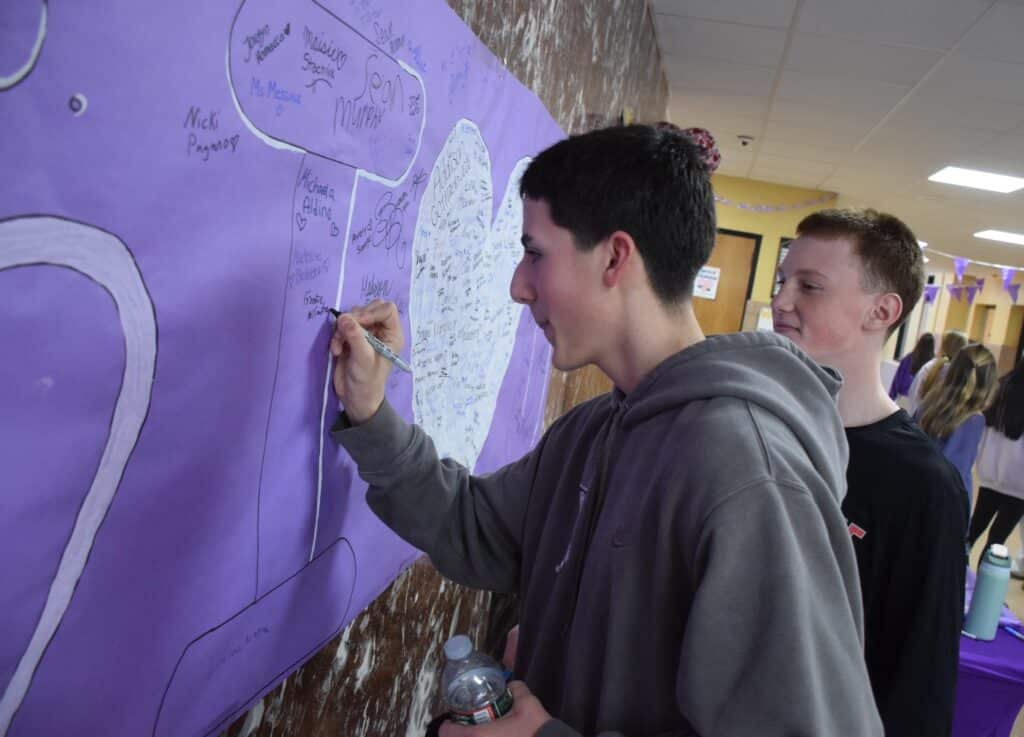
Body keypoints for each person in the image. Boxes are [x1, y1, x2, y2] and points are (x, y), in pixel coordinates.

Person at [330, 125, 881, 737]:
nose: (518, 286)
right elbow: (476, 527)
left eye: (536, 253)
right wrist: (369, 411)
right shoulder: (593, 431)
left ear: (616, 257)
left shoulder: (749, 472)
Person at [772, 208, 968, 737]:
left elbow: (920, 680)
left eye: (810, 286)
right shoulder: (757, 428)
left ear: (881, 311)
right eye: (782, 281)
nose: (781, 302)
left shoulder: (923, 485)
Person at [916, 343, 997, 503]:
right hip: (942, 502)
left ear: (953, 371)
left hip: (914, 488)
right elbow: (955, 472)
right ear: (988, 383)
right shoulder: (973, 420)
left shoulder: (929, 402)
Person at [970, 361, 1024, 555]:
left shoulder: (1000, 387)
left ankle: (953, 568)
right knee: (997, 540)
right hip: (1018, 482)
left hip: (990, 472)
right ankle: (982, 576)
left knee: (974, 528)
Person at [907, 329, 967, 415]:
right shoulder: (965, 374)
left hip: (921, 416)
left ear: (944, 346)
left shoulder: (930, 367)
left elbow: (913, 393)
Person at [888, 332, 934, 404]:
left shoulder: (909, 358)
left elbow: (897, 379)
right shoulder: (933, 364)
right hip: (921, 401)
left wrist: (891, 397)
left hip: (904, 397)